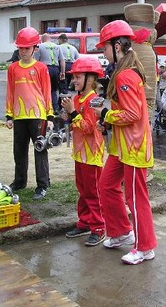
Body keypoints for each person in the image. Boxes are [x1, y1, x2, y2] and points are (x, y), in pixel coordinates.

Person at [90, 20, 157, 265]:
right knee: (107, 184)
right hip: (122, 147)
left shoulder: (125, 75)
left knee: (136, 198)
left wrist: (105, 116)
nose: (103, 53)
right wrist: (107, 122)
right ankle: (120, 231)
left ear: (117, 46)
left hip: (134, 148)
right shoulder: (124, 72)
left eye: (104, 48)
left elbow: (133, 114)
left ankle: (145, 247)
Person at [60, 58, 106, 246]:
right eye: (74, 77)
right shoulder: (77, 99)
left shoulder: (95, 100)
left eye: (78, 77)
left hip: (92, 155)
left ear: (90, 78)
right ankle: (85, 222)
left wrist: (72, 113)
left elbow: (88, 128)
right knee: (82, 190)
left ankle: (99, 227)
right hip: (80, 154)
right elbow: (76, 125)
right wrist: (67, 116)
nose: (75, 80)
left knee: (93, 191)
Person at [5, 27, 54, 201]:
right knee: (19, 151)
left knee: (40, 149)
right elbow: (10, 92)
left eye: (27, 48)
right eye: (20, 48)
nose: (23, 51)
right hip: (19, 117)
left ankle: (43, 185)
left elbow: (47, 91)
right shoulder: (12, 68)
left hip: (38, 116)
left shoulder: (41, 68)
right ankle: (19, 182)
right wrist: (9, 115)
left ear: (35, 48)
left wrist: (49, 117)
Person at [34, 33, 65, 114]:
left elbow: (36, 61)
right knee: (54, 89)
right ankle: (55, 108)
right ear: (50, 39)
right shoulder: (57, 46)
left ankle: (44, 107)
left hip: (45, 69)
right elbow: (62, 60)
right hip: (55, 69)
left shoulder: (40, 46)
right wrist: (63, 72)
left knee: (43, 88)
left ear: (42, 39)